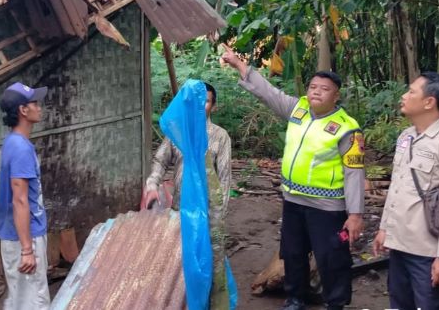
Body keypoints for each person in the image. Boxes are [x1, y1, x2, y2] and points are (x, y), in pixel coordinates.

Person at [221, 45, 364, 310]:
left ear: (336, 95)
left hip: (328, 207)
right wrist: (239, 65)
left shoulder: (347, 128)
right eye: (312, 87)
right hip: (294, 201)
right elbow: (268, 93)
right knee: (294, 252)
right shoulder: (297, 110)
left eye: (324, 89)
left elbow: (354, 172)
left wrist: (355, 215)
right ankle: (296, 297)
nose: (316, 92)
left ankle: (336, 302)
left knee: (331, 257)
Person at [372, 72, 439, 310]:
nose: (403, 96)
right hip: (399, 244)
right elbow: (397, 187)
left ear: (429, 102)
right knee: (400, 303)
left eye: (411, 92)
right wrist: (384, 229)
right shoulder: (406, 137)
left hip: (428, 252)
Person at [142, 82, 232, 220]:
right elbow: (160, 161)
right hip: (179, 207)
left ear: (213, 107)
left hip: (206, 210)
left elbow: (224, 178)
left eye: (206, 101)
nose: (200, 105)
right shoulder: (177, 132)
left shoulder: (220, 136)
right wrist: (152, 185)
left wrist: (217, 216)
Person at [0, 82, 51, 310]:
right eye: (34, 103)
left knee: (21, 301)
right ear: (23, 110)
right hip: (25, 239)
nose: (40, 108)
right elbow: (19, 200)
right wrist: (27, 250)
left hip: (20, 235)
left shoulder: (14, 142)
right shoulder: (20, 148)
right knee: (33, 303)